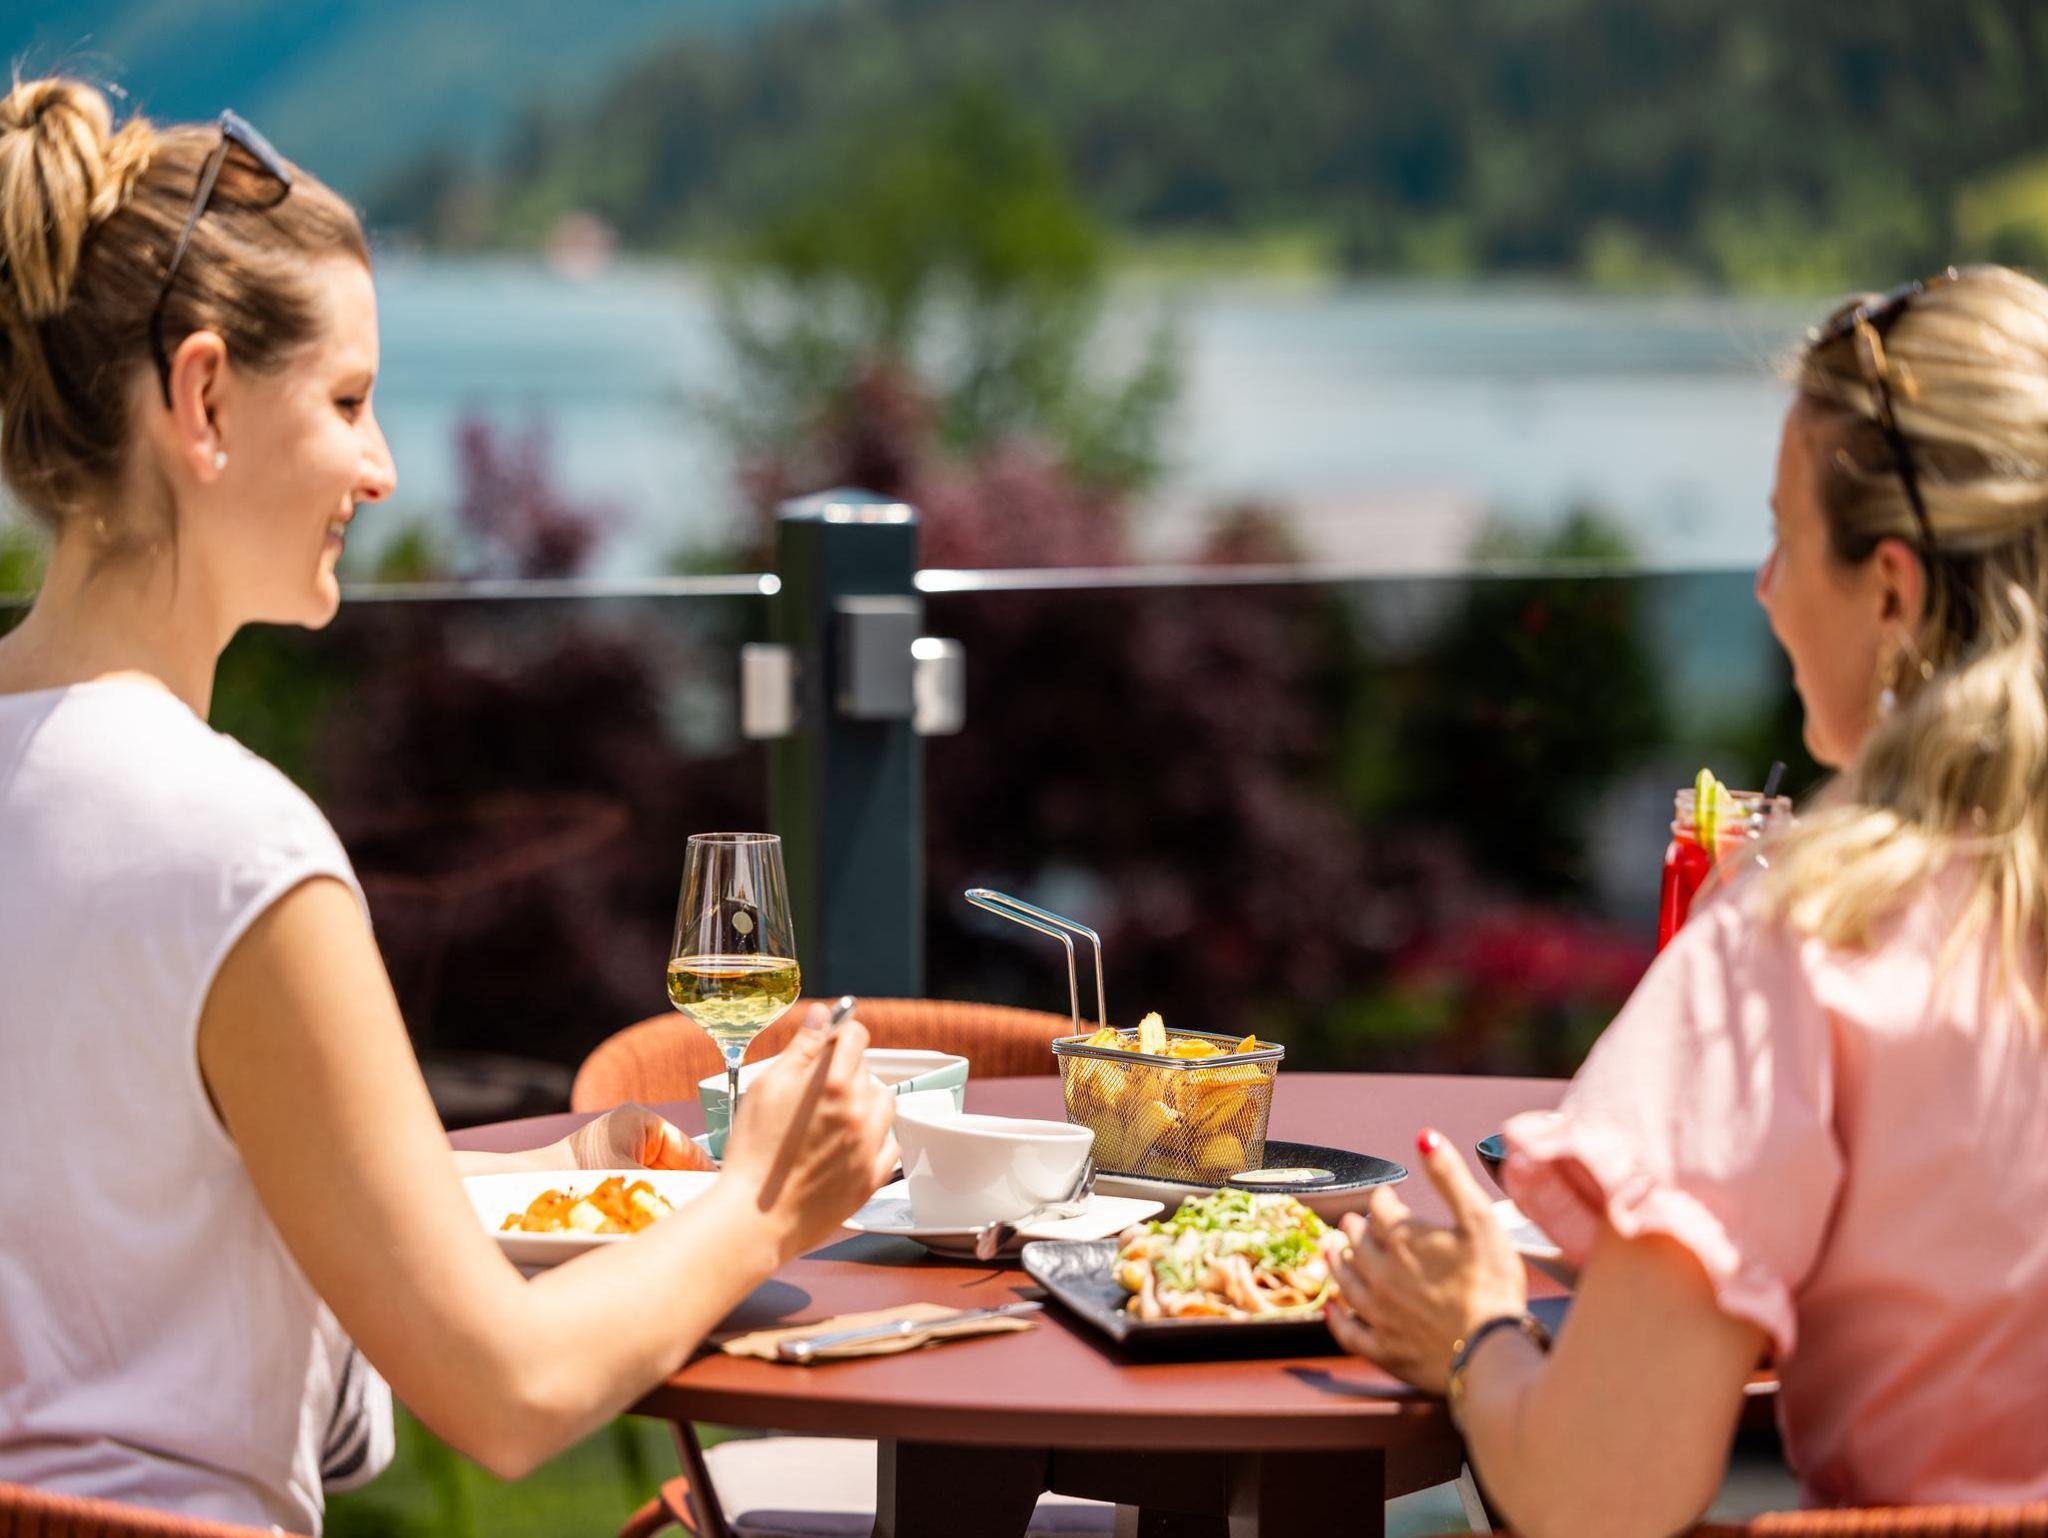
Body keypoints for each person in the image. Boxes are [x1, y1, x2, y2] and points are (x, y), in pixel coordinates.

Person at [0, 77, 896, 1533]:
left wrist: (558, 1172)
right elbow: (508, 1392)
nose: (381, 468)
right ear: (204, 399)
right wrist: (765, 1200)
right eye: (348, 401)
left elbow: (140, 1203)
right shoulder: (233, 852)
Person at [1329, 262, 2048, 1527]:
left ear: (1889, 587)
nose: (1763, 585)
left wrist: (1474, 1333)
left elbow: (1598, 1495)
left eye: (1781, 537)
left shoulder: (1802, 940)